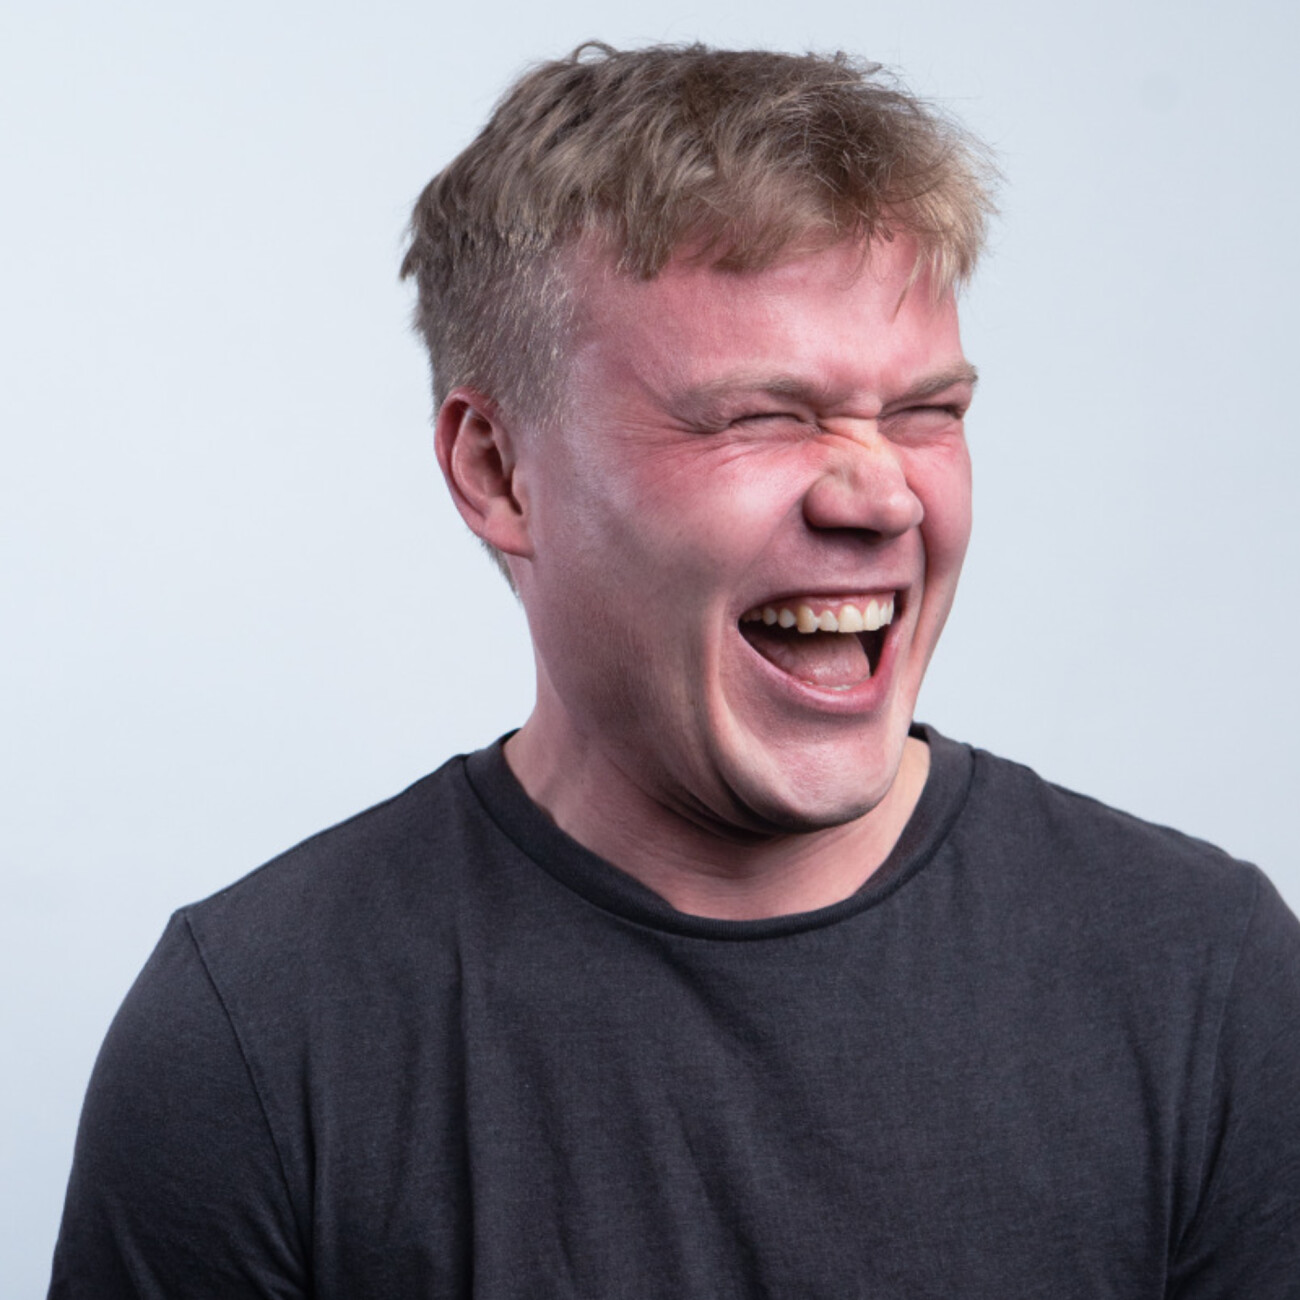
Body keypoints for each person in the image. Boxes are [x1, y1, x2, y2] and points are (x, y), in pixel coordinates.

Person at [49, 42, 1300, 1298]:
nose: (881, 496)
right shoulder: (255, 1036)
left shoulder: (1206, 978)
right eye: (760, 416)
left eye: (925, 412)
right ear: (496, 470)